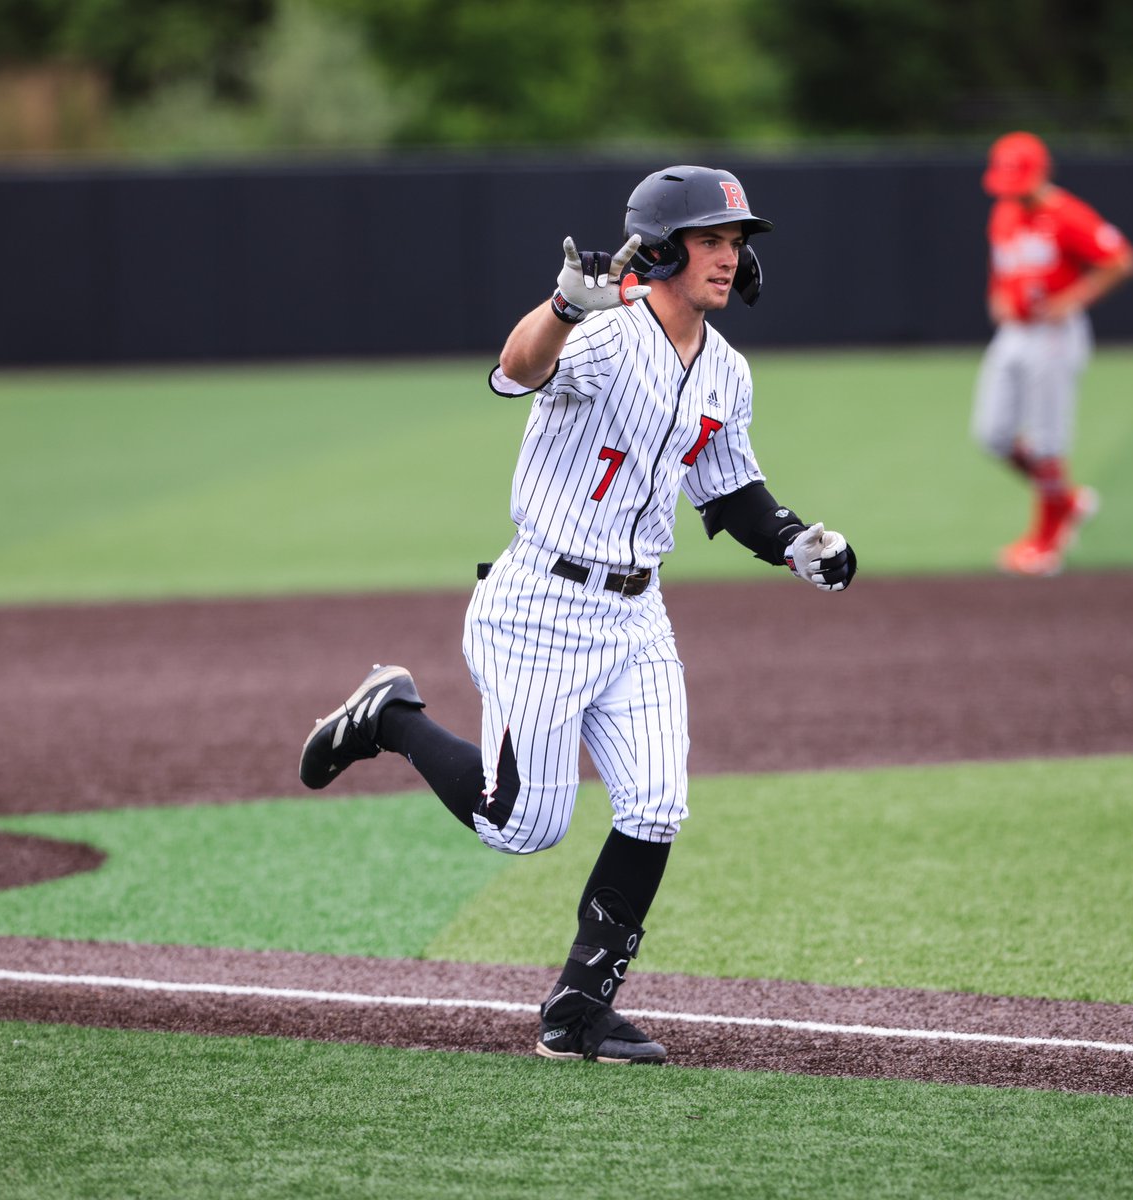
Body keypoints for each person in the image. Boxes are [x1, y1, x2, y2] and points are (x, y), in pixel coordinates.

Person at [297, 165, 857, 1064]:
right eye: (712, 239)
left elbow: (732, 492)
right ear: (666, 247)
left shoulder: (727, 371)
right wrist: (562, 308)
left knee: (658, 805)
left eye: (737, 241)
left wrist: (797, 545)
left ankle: (577, 1012)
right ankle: (391, 716)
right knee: (521, 825)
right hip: (541, 607)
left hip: (639, 615)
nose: (730, 256)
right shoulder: (603, 335)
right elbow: (514, 372)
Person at [973, 131, 1133, 577]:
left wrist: (1073, 300)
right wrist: (997, 296)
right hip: (1014, 332)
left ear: (1040, 173)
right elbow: (1002, 269)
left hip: (1054, 333)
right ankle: (1066, 502)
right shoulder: (1004, 212)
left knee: (1048, 441)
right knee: (993, 433)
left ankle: (1046, 543)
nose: (1012, 188)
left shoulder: (1066, 213)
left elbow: (1121, 259)